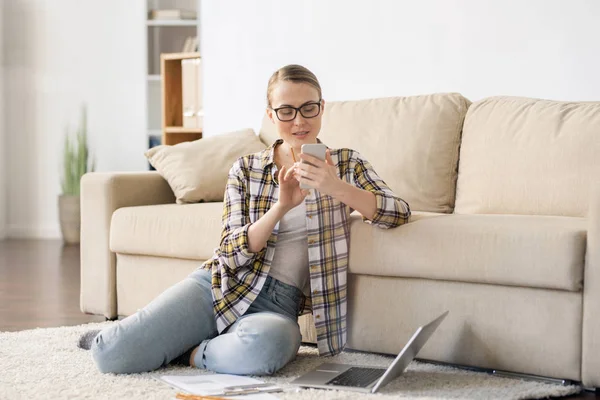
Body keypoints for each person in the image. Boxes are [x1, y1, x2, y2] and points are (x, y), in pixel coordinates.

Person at [78, 64, 410, 375]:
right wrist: (280, 207)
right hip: (221, 285)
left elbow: (397, 212)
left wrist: (335, 187)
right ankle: (145, 334)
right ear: (271, 115)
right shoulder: (247, 168)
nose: (299, 121)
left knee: (268, 350)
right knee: (112, 354)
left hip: (278, 306)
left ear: (322, 108)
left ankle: (189, 351)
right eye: (286, 111)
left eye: (309, 108)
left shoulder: (346, 164)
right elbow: (229, 252)